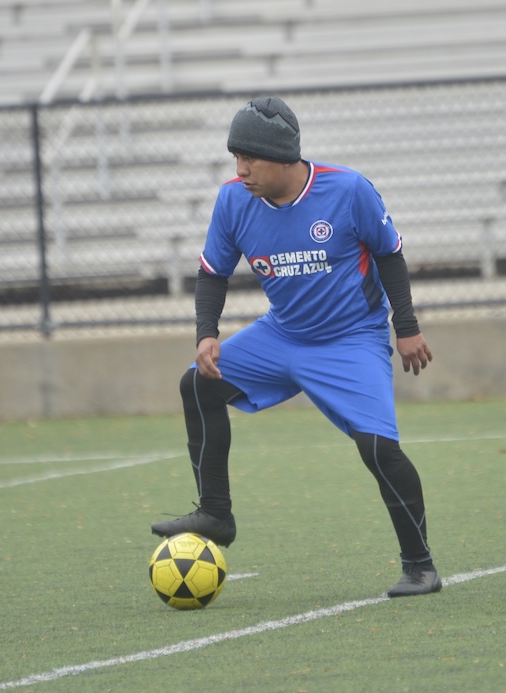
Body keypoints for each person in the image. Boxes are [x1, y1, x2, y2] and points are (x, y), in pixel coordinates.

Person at [152, 96, 442, 598]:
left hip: (352, 338)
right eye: (235, 158)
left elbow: (390, 255)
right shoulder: (232, 200)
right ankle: (216, 513)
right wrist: (206, 334)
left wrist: (407, 326)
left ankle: (420, 566)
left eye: (249, 158)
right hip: (282, 334)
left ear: (283, 156)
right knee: (197, 384)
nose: (240, 170)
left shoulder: (348, 190)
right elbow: (212, 273)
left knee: (378, 448)